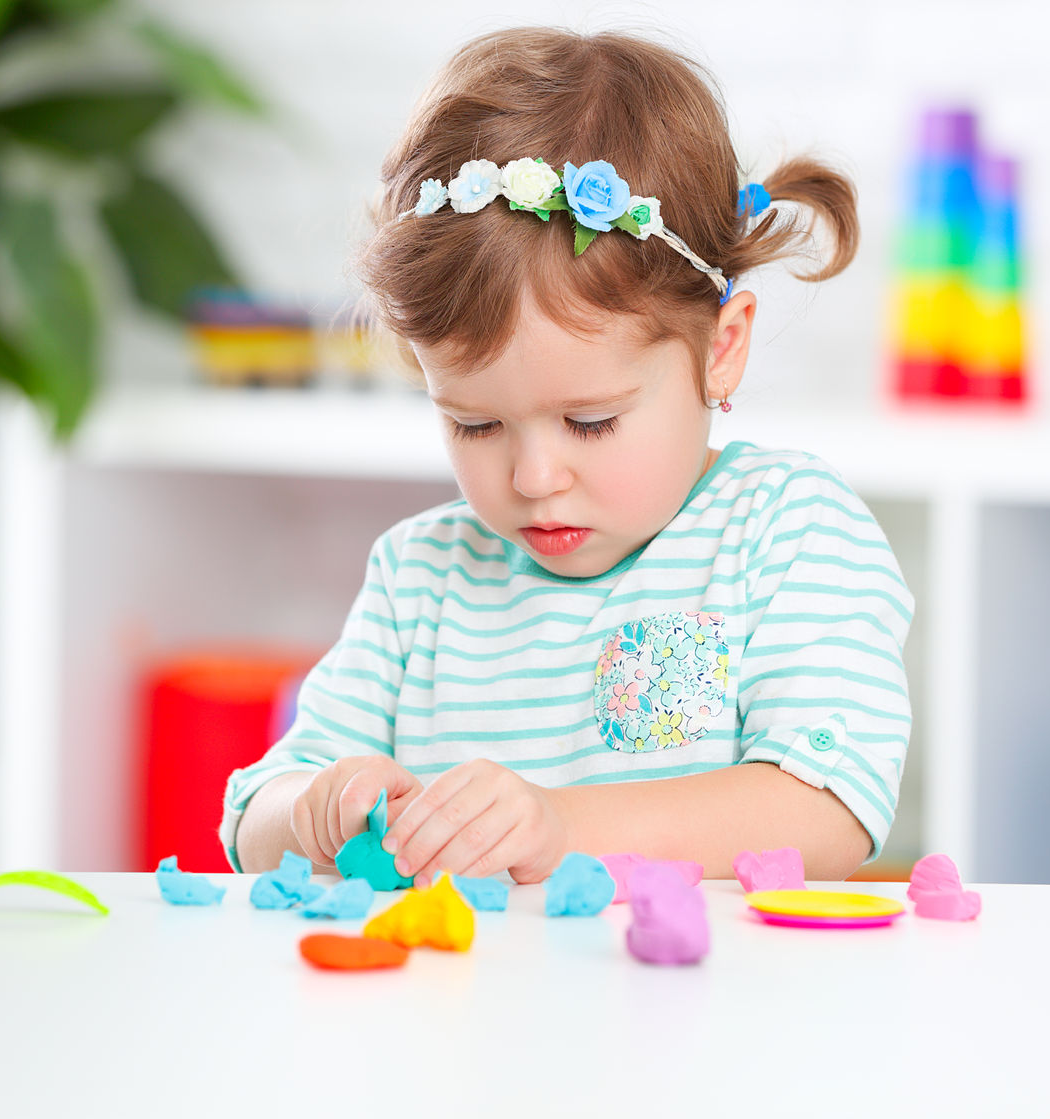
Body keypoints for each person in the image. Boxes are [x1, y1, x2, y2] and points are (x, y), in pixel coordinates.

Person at [224, 28, 912, 885]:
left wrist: (561, 825)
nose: (533, 478)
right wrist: (313, 807)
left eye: (589, 421)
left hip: (709, 1012)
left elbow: (829, 808)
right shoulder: (422, 579)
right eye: (475, 426)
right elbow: (253, 817)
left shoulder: (785, 534)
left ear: (721, 348)